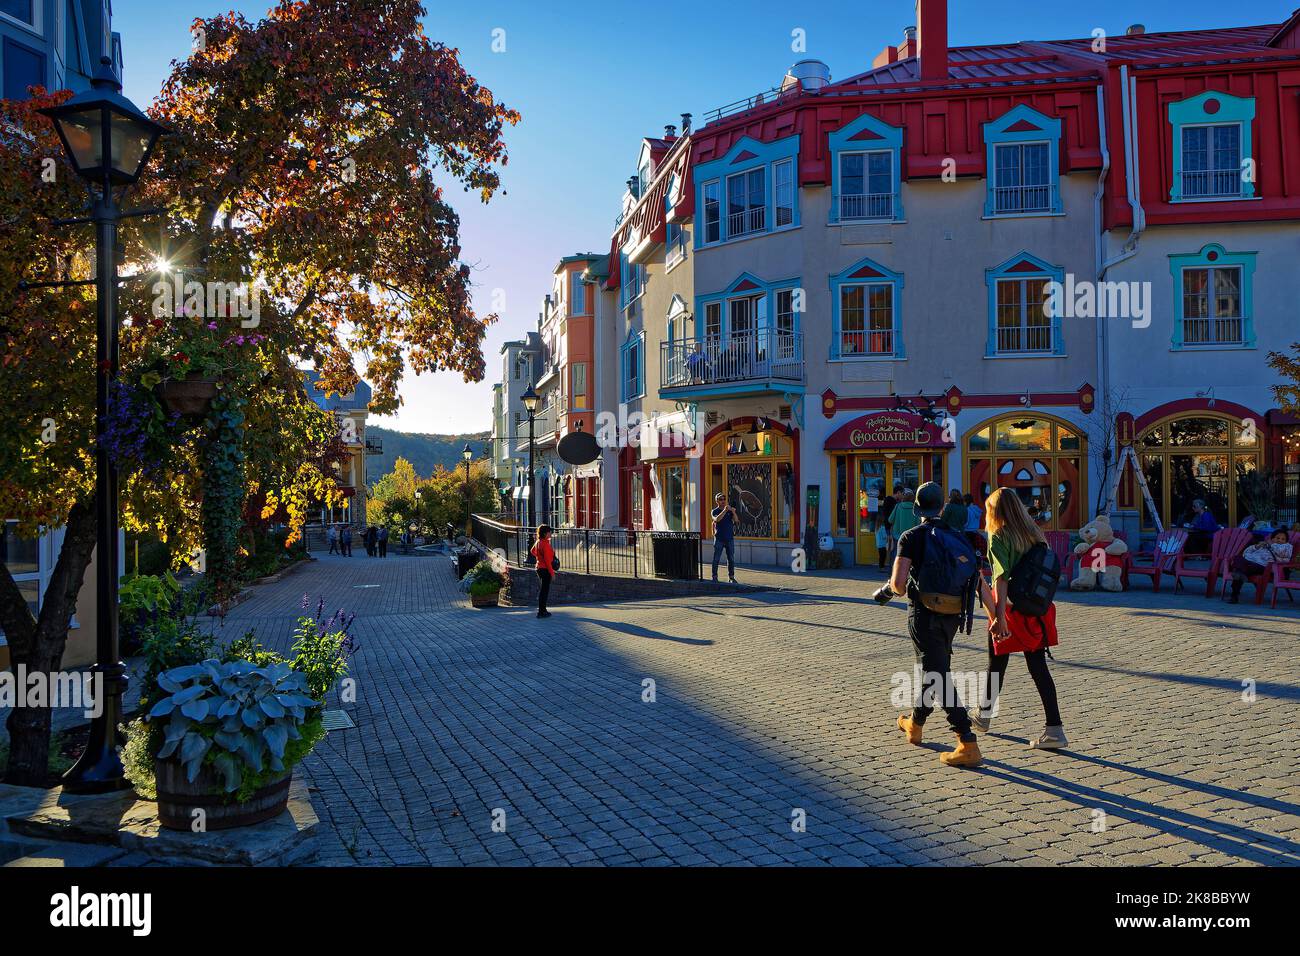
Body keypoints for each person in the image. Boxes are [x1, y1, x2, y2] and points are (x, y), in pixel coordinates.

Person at [883, 482, 982, 767]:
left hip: (923, 614)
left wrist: (888, 589)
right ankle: (915, 724)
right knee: (934, 669)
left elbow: (899, 585)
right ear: (942, 507)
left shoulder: (911, 536)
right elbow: (976, 579)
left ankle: (967, 741)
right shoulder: (958, 536)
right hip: (953, 614)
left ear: (916, 508)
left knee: (938, 675)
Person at [971, 488, 1067, 749]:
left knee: (996, 664)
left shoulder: (999, 536)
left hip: (1012, 611)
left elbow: (1000, 579)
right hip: (1037, 609)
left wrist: (999, 617)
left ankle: (984, 717)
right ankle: (1055, 728)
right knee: (1038, 668)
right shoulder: (1034, 533)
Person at [1228, 527, 1292, 603]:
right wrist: (1257, 546)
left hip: (1264, 567)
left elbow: (1282, 553)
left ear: (1286, 541)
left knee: (1240, 570)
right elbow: (1246, 553)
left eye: (1283, 539)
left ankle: (1234, 593)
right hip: (1249, 563)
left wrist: (1271, 545)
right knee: (1238, 559)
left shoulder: (1287, 547)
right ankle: (1235, 591)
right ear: (1272, 538)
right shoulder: (1265, 545)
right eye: (1277, 538)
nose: (1280, 540)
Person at [530, 525, 557, 618]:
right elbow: (548, 562)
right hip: (545, 569)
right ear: (545, 533)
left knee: (543, 590)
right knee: (544, 591)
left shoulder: (539, 541)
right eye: (549, 532)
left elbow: (532, 551)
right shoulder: (545, 544)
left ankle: (543, 610)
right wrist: (552, 573)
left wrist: (539, 557)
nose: (551, 533)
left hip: (539, 567)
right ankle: (541, 612)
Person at [711, 492, 738, 583]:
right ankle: (714, 577)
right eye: (720, 499)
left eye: (724, 499)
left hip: (729, 538)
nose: (723, 501)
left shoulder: (730, 511)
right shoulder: (714, 511)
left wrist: (733, 512)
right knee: (716, 559)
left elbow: (736, 521)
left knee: (731, 559)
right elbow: (717, 519)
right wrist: (725, 511)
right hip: (719, 539)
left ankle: (731, 577)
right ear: (717, 501)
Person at [888, 487, 919, 559]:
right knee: (910, 554)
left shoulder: (898, 506)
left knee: (896, 552)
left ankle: (894, 568)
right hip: (911, 536)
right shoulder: (915, 509)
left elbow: (890, 520)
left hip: (897, 535)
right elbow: (918, 523)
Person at [876, 484, 900, 570]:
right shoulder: (893, 503)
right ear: (898, 493)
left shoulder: (888, 501)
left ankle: (891, 567)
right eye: (901, 494)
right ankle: (892, 568)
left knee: (890, 549)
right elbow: (890, 517)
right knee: (892, 549)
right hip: (890, 528)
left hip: (888, 527)